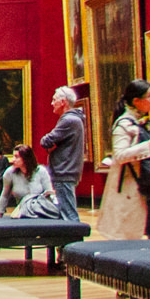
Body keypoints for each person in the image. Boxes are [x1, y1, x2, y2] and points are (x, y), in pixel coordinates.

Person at [95, 78, 150, 241]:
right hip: (132, 188)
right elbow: (120, 155)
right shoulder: (123, 125)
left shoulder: (144, 121)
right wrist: (149, 145)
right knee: (129, 240)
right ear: (136, 101)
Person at [40, 83, 89, 220]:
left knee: (69, 214)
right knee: (64, 212)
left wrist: (49, 142)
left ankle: (74, 240)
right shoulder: (73, 119)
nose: (52, 103)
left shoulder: (68, 120)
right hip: (65, 172)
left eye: (54, 99)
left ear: (63, 102)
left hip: (64, 172)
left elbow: (45, 141)